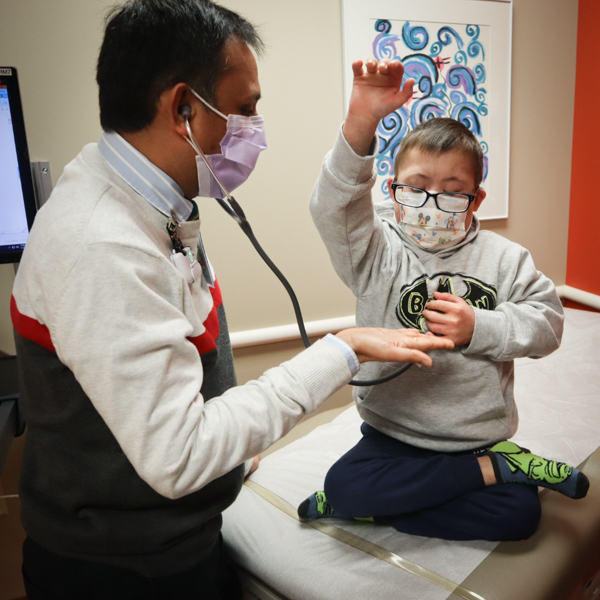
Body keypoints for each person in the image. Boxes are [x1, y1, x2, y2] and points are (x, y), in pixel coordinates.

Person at [9, 4, 454, 600]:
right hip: (126, 570)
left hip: (178, 535)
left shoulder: (151, 204)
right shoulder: (101, 244)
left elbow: (164, 375)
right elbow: (179, 455)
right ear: (183, 108)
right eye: (244, 108)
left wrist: (234, 458)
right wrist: (340, 350)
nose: (255, 128)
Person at [298, 57, 589, 541]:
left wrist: (481, 327)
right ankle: (497, 471)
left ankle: (408, 492)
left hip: (475, 439)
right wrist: (361, 124)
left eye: (453, 192)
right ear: (392, 190)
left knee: (518, 518)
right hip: (392, 434)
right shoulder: (375, 250)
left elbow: (549, 325)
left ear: (476, 199)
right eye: (416, 189)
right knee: (343, 484)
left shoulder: (506, 258)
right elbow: (331, 207)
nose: (432, 203)